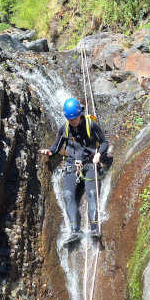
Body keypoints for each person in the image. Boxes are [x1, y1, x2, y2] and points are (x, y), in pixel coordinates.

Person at [39, 97, 109, 245]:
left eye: (75, 118)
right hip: (72, 166)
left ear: (80, 114)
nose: (73, 121)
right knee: (68, 194)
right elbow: (56, 147)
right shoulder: (64, 128)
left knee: (91, 193)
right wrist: (49, 152)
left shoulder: (91, 125)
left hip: (90, 164)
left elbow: (104, 142)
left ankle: (95, 228)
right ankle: (75, 231)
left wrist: (98, 154)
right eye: (70, 119)